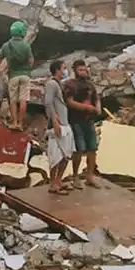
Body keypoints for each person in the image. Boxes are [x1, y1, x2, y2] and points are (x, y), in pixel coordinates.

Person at [65, 59, 102, 189]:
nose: (84, 71)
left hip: (89, 120)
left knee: (92, 148)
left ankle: (90, 176)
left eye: (85, 69)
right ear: (75, 71)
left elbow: (97, 98)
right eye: (80, 69)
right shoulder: (70, 85)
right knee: (79, 149)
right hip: (76, 120)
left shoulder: (90, 85)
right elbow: (69, 102)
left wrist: (97, 107)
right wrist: (85, 108)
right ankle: (75, 176)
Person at [0, 21, 34, 130]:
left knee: (13, 100)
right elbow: (31, 61)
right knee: (23, 100)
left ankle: (14, 123)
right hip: (25, 76)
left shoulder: (6, 46)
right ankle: (20, 124)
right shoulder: (26, 46)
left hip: (13, 76)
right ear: (22, 32)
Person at [44, 59, 74, 195]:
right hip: (58, 124)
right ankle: (52, 183)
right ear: (57, 69)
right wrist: (55, 121)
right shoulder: (51, 84)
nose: (65, 71)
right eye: (63, 68)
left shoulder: (59, 84)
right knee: (56, 155)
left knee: (66, 154)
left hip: (65, 123)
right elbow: (48, 103)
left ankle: (58, 180)